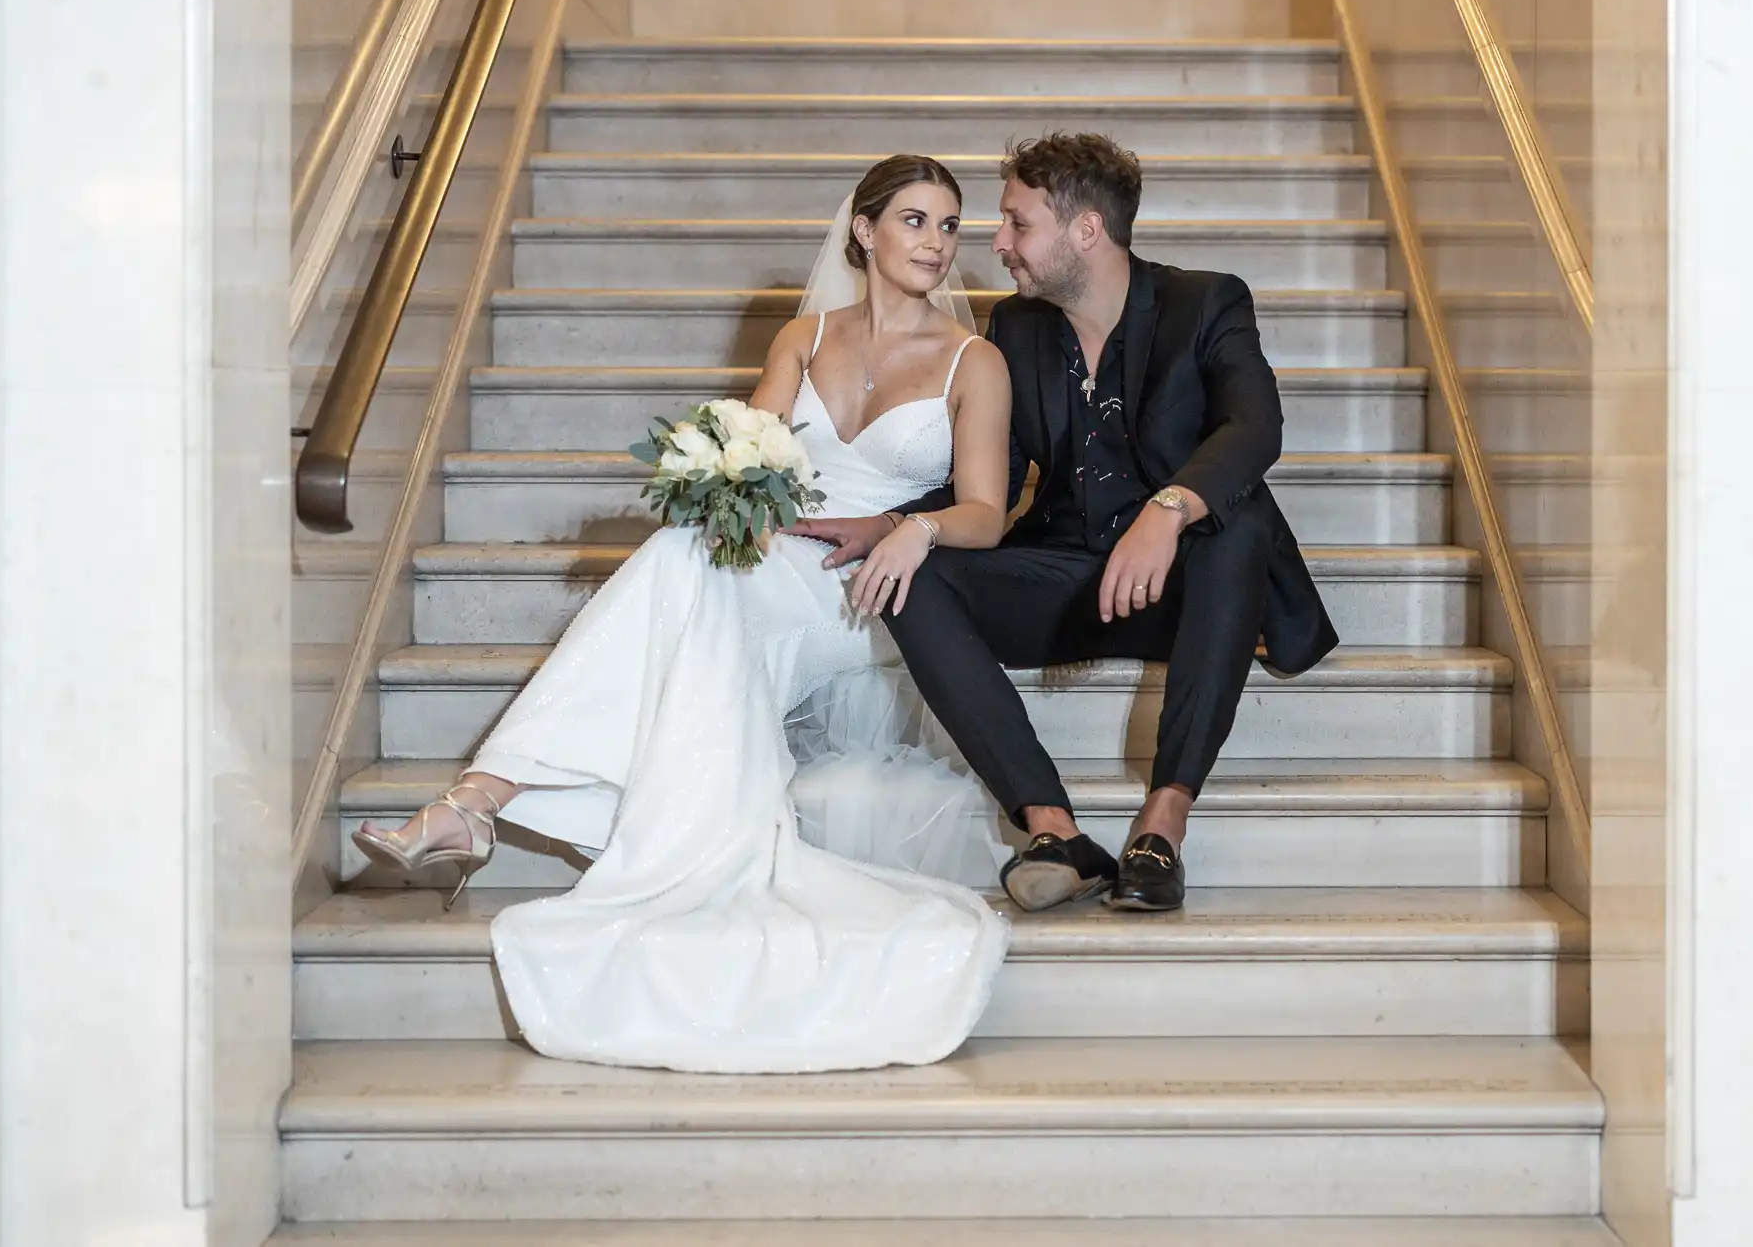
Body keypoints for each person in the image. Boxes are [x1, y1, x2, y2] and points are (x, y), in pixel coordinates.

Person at [350, 155, 1015, 1073]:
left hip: (860, 587)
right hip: (770, 559)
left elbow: (986, 510)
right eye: (914, 220)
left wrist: (913, 527)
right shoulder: (803, 337)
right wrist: (727, 490)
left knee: (684, 574)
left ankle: (475, 802)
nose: (936, 244)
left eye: (949, 226)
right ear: (863, 231)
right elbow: (752, 461)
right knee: (684, 554)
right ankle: (477, 804)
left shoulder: (974, 361)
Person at [796, 133, 1340, 915]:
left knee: (1241, 518)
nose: (996, 242)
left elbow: (1254, 431)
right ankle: (1053, 828)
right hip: (1065, 578)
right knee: (923, 575)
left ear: (1085, 231)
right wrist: (891, 525)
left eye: (1017, 224)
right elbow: (979, 483)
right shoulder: (1016, 329)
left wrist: (1168, 510)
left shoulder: (1206, 303)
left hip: (1186, 594)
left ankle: (1161, 826)